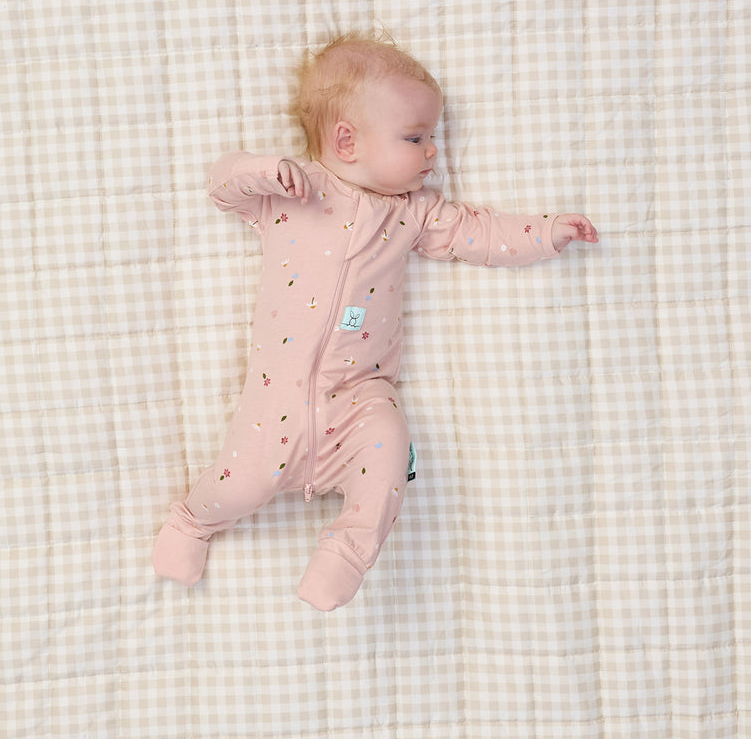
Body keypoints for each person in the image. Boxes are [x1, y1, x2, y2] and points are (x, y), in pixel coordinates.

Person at [152, 32, 599, 610]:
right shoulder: (296, 191)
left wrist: (546, 233)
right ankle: (192, 522)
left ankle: (347, 552)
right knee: (241, 483)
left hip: (362, 395)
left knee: (389, 452)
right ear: (347, 140)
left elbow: (480, 232)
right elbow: (221, 182)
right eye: (415, 137)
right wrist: (264, 169)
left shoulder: (414, 213)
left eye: (432, 137)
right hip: (278, 397)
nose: (433, 152)